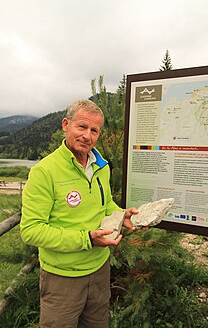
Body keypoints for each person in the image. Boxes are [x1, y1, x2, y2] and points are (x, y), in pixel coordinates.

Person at [20, 99, 138, 328]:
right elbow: (31, 231)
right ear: (66, 124)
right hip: (61, 278)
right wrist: (87, 239)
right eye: (81, 127)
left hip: (99, 270)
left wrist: (121, 214)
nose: (87, 136)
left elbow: (106, 205)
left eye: (94, 130)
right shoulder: (44, 172)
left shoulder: (101, 165)